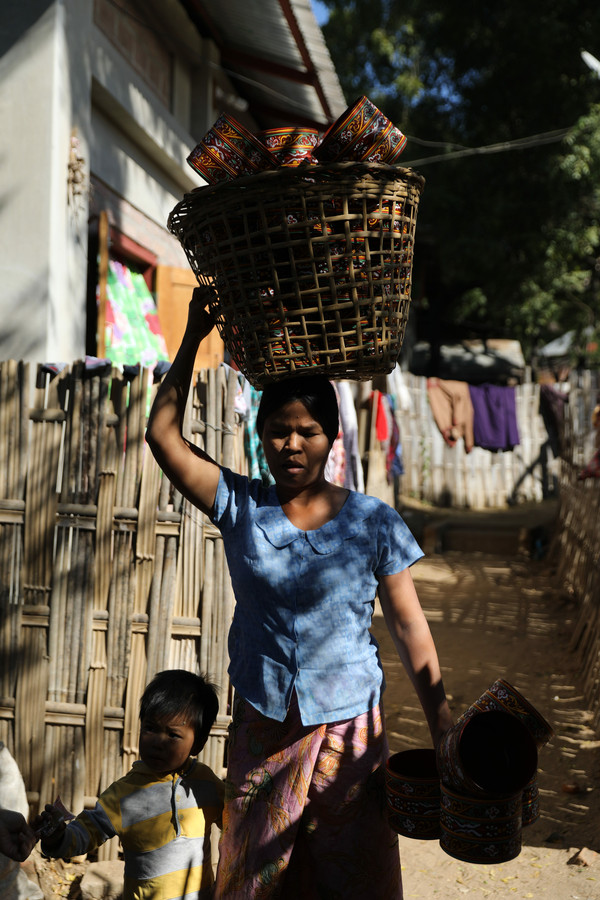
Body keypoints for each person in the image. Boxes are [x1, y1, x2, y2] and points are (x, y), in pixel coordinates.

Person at [145, 286, 454, 899]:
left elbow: (409, 626)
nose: (292, 444)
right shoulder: (240, 504)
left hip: (348, 729)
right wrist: (190, 339)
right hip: (263, 721)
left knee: (353, 868)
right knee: (257, 872)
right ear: (260, 435)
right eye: (279, 431)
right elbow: (163, 436)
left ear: (332, 436)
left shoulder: (374, 522)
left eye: (307, 431)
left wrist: (442, 721)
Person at [34, 669, 224, 900]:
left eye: (173, 735)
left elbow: (235, 823)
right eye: (150, 728)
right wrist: (57, 837)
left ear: (198, 744)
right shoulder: (125, 794)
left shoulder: (206, 783)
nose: (157, 742)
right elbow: (87, 832)